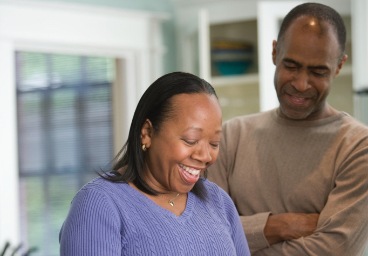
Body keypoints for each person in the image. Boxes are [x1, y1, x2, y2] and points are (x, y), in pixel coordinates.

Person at [208, 2, 368, 256]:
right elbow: (207, 235)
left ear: (339, 66)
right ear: (274, 52)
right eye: (291, 66)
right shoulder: (230, 137)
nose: (302, 84)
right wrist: (279, 226)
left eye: (318, 71)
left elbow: (336, 249)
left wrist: (241, 235)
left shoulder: (358, 147)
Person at [59, 71, 251, 256]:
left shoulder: (218, 201)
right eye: (190, 140)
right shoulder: (99, 204)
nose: (205, 155)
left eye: (214, 143)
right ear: (147, 133)